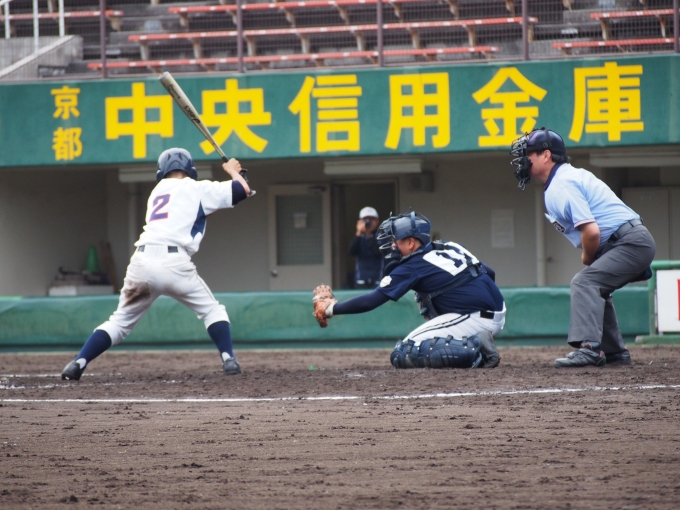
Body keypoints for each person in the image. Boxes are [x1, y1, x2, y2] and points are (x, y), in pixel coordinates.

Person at [61, 148, 252, 380]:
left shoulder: (157, 192)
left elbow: (200, 213)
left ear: (162, 171)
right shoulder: (196, 187)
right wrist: (233, 172)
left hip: (142, 262)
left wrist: (238, 184)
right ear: (189, 168)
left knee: (119, 322)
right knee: (212, 310)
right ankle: (229, 359)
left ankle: (78, 363)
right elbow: (241, 191)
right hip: (174, 263)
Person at [509, 127, 655, 368]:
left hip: (629, 241)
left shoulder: (562, 183)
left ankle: (589, 349)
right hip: (628, 240)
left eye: (529, 154)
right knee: (596, 286)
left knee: (584, 282)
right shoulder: (563, 179)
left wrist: (588, 256)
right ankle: (615, 352)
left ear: (546, 155)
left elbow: (591, 231)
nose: (524, 160)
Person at [313, 211, 506, 369]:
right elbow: (490, 273)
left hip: (474, 318)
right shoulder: (450, 246)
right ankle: (476, 339)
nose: (392, 245)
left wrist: (331, 308)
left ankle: (477, 349)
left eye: (395, 240)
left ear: (411, 242)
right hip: (494, 311)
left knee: (404, 352)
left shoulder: (412, 265)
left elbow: (371, 300)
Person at [348, 206, 383, 288]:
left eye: (372, 219)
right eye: (365, 220)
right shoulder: (359, 237)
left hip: (378, 281)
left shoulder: (382, 236)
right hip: (361, 280)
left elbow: (378, 252)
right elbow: (351, 252)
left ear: (377, 221)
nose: (369, 222)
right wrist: (358, 233)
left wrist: (369, 235)